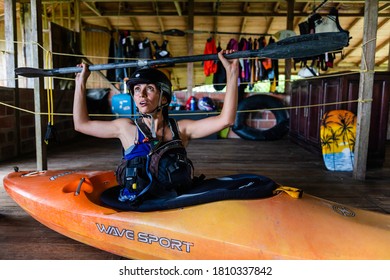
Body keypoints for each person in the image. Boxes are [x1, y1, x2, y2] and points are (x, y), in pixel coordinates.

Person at [73, 49, 239, 203]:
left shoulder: (181, 130)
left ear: (164, 99)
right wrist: (81, 83)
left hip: (174, 201)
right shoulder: (125, 128)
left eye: (149, 88)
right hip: (136, 202)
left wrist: (232, 73)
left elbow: (226, 120)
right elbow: (81, 124)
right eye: (137, 89)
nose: (141, 94)